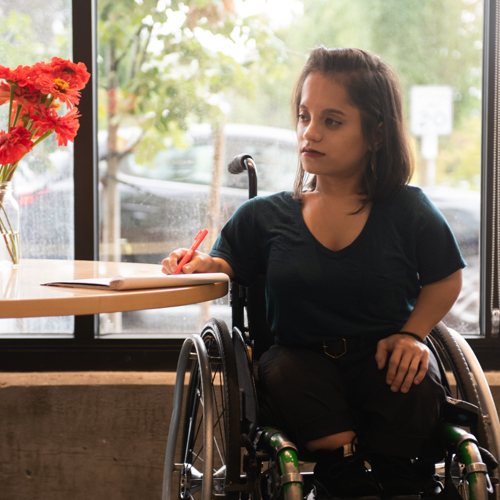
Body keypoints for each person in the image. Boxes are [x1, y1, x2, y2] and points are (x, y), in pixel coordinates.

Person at [162, 47, 465, 499]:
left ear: (377, 134)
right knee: (284, 370)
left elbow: (446, 278)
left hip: (382, 358)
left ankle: (395, 476)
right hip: (299, 366)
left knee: (414, 380)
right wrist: (201, 265)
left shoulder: (409, 210)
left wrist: (413, 335)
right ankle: (345, 476)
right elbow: (226, 266)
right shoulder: (264, 216)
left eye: (331, 121)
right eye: (304, 117)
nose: (310, 133)